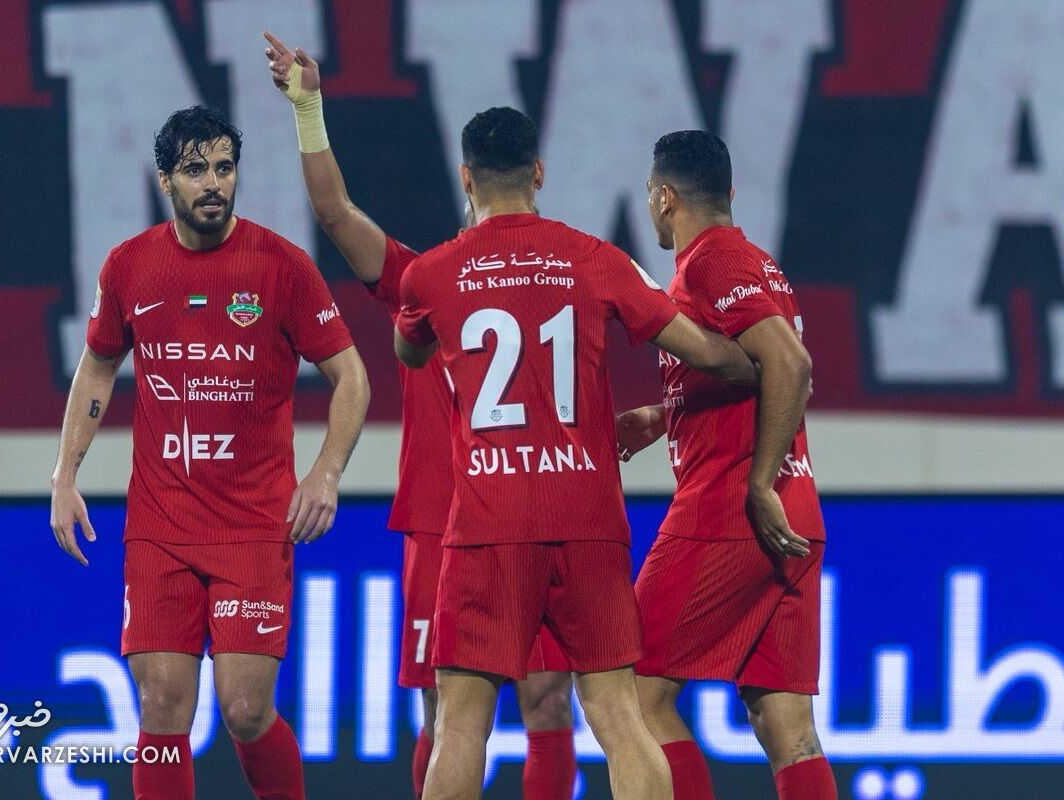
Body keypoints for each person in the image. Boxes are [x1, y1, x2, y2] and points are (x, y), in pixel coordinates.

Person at [395, 106, 758, 800]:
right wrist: (765, 362)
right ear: (538, 173)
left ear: (466, 177)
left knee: (461, 724)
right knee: (619, 715)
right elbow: (704, 351)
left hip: (489, 523)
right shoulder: (595, 259)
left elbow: (409, 350)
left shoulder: (432, 273)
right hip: (588, 518)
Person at [264, 31, 578, 800]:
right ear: (536, 173)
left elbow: (335, 214)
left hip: (527, 514)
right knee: (465, 710)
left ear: (466, 177)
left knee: (532, 703)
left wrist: (309, 110)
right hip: (458, 519)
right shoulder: (432, 278)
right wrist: (308, 114)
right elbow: (335, 215)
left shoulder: (557, 275)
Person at [48, 105, 370, 800]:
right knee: (161, 706)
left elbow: (352, 375)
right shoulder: (130, 266)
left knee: (246, 710)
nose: (214, 183)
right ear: (165, 179)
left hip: (254, 524)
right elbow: (98, 366)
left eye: (224, 168)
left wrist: (326, 473)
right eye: (195, 170)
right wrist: (64, 475)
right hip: (161, 524)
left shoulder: (282, 266)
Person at [619, 130, 835, 800]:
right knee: (786, 725)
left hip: (734, 509)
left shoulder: (711, 263)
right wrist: (666, 413)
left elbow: (791, 365)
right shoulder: (759, 264)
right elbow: (765, 373)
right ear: (729, 192)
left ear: (664, 197)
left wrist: (759, 484)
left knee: (633, 691)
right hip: (795, 512)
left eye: (651, 195)